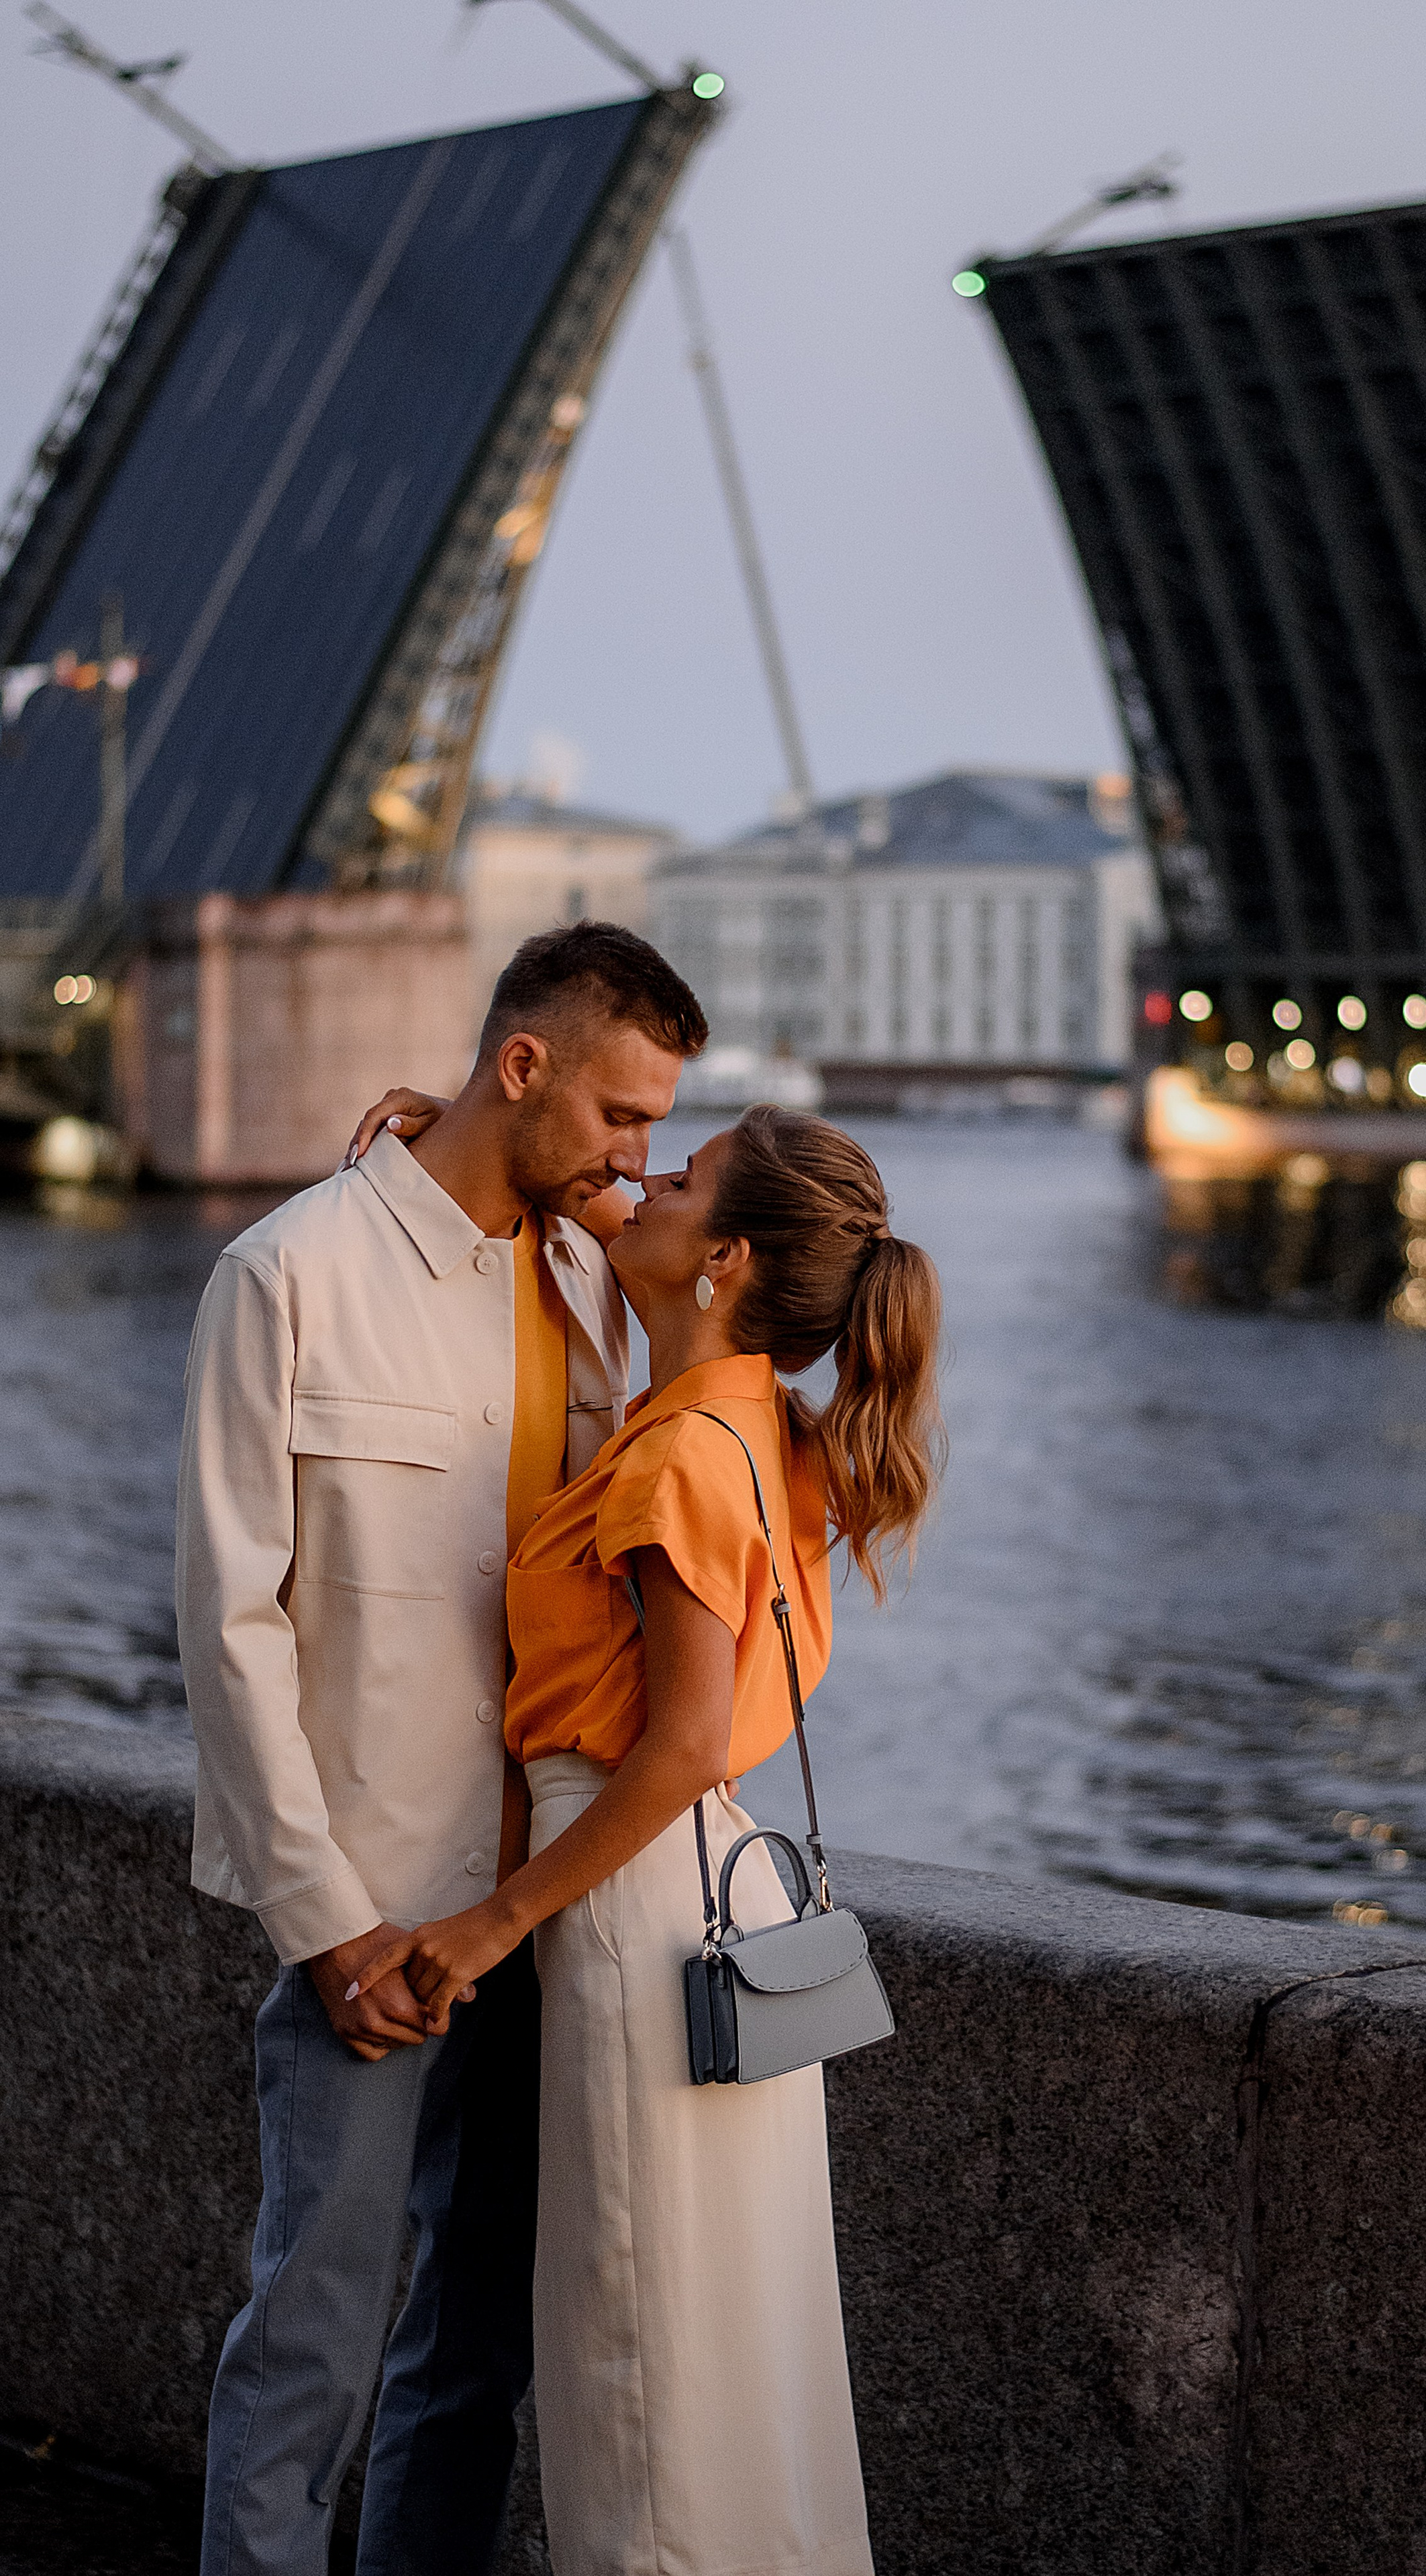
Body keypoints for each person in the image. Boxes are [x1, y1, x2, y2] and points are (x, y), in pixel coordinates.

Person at [176, 922, 707, 2576]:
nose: (641, 1159)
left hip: (546, 1922)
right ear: (523, 1068)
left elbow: (785, 1286)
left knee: (476, 2361)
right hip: (379, 1920)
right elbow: (231, 1625)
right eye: (621, 1117)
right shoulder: (288, 1276)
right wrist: (323, 1928)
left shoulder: (589, 1283)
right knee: (310, 2346)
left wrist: (559, 1182)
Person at [352, 1104, 944, 2576]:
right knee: (736, 2343)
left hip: (623, 1900)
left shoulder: (678, 1452)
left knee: (634, 2354)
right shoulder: (770, 1433)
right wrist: (474, 1133)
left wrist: (487, 1927)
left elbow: (671, 1742)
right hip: (717, 1907)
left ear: (724, 1258)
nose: (640, 1179)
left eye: (674, 1180)